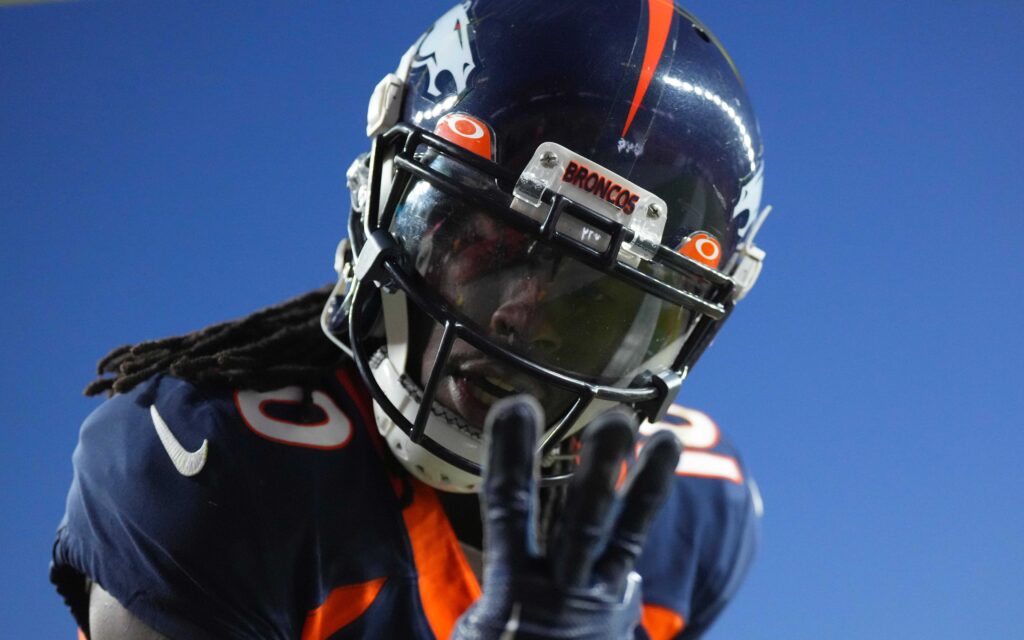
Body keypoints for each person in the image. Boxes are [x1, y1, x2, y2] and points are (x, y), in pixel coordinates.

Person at [51, 1, 771, 638]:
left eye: (595, 301)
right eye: (491, 244)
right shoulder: (207, 471)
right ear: (381, 194)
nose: (525, 315)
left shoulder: (688, 512)